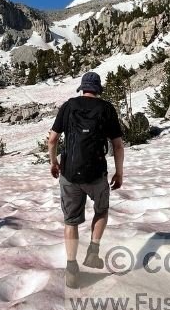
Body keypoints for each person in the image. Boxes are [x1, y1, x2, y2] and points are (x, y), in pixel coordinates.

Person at [48, 71, 124, 288]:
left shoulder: (69, 105)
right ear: (98, 89)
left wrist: (54, 163)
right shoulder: (106, 108)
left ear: (82, 88)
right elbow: (117, 145)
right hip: (96, 173)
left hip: (70, 173)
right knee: (101, 210)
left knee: (70, 221)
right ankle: (93, 250)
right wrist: (119, 172)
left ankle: (71, 266)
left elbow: (52, 139)